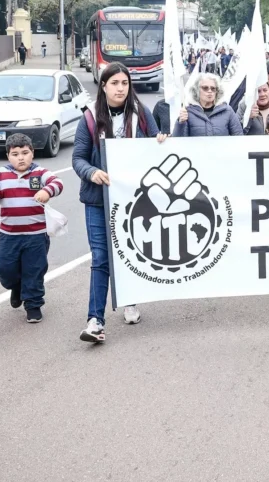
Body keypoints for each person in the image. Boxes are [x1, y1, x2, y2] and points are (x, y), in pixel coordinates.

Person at [73, 62, 162, 344]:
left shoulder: (142, 114)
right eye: (114, 83)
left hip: (134, 202)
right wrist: (92, 172)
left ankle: (130, 300)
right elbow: (78, 158)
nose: (120, 88)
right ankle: (95, 320)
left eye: (124, 83)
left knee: (130, 253)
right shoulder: (89, 119)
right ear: (103, 86)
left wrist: (160, 140)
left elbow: (154, 151)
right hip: (98, 201)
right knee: (101, 258)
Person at [0, 133, 63, 323]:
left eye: (25, 153)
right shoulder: (1, 174)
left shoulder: (40, 173)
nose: (21, 157)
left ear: (32, 153)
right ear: (8, 156)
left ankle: (33, 304)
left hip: (36, 235)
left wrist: (46, 190)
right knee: (4, 268)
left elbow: (58, 183)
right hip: (8, 235)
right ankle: (16, 287)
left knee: (34, 269)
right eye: (15, 154)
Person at [175, 73, 243, 136]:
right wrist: (181, 123)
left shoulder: (227, 110)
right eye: (205, 88)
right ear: (196, 90)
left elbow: (238, 137)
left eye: (213, 88)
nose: (210, 91)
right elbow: (179, 141)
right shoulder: (187, 112)